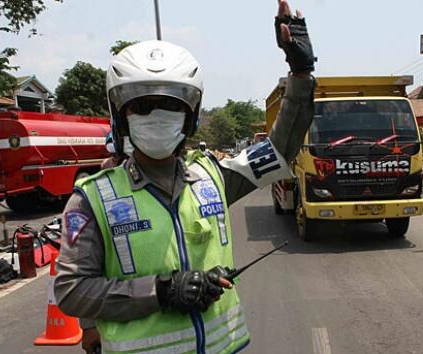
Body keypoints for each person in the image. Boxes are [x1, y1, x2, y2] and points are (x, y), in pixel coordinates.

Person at [53, 2, 317, 353]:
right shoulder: (91, 200)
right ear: (121, 117)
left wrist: (300, 73)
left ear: (190, 117)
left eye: (172, 106)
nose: (158, 116)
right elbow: (72, 291)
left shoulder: (214, 177)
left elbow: (279, 151)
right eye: (143, 107)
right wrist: (162, 291)